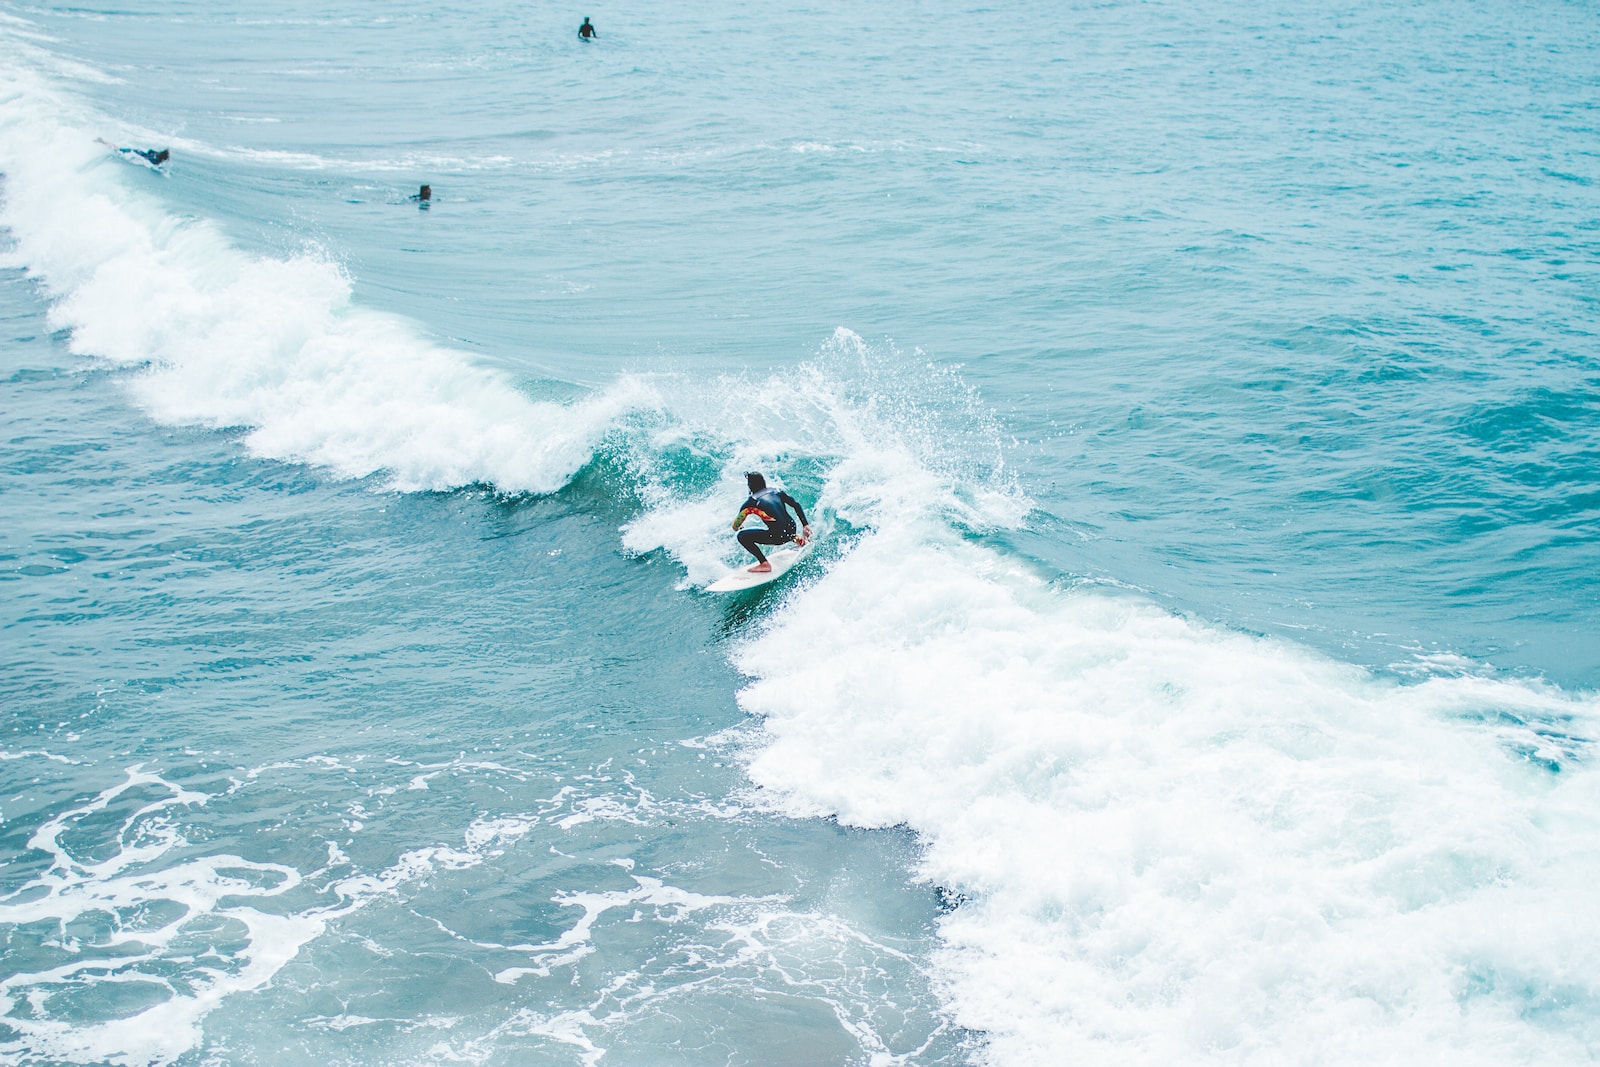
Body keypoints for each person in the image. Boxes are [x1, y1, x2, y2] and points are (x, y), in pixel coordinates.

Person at [731, 472, 811, 573]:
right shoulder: (777, 491)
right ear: (763, 482)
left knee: (742, 536)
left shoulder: (751, 502)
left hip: (778, 536)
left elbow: (735, 526)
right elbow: (796, 505)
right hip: (791, 528)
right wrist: (805, 525)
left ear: (750, 486)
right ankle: (801, 541)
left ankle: (764, 564)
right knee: (782, 526)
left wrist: (739, 526)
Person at [98, 139, 169, 166]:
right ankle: (102, 141)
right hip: (136, 154)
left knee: (118, 149)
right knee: (117, 150)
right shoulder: (156, 161)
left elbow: (149, 151)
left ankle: (103, 141)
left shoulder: (155, 154)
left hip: (138, 152)